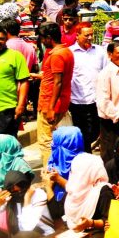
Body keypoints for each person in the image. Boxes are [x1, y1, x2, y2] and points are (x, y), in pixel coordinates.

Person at [32, 153, 113, 238]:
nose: (74, 175)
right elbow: (59, 212)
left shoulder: (103, 191)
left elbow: (109, 220)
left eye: (78, 172)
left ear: (88, 173)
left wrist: (90, 223)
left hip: (94, 231)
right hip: (72, 228)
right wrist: (53, 181)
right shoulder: (76, 186)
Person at [35, 22, 75, 165]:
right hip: (59, 102)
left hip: (49, 105)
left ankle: (50, 177)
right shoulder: (66, 52)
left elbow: (57, 82)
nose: (42, 42)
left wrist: (51, 108)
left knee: (46, 143)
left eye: (42, 38)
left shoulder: (57, 55)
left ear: (49, 38)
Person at [70, 23, 106, 153]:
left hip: (96, 100)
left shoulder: (100, 52)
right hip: (77, 101)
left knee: (94, 132)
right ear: (77, 35)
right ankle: (85, 158)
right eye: (86, 35)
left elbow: (105, 73)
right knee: (81, 133)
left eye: (91, 35)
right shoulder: (70, 53)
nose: (90, 38)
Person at [95, 41, 119, 162]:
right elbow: (104, 103)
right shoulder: (105, 74)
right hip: (111, 121)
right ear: (110, 54)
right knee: (110, 154)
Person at [45, 127, 84, 220]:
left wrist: (55, 181)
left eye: (55, 141)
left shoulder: (82, 166)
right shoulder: (55, 158)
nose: (52, 144)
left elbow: (77, 191)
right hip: (57, 207)